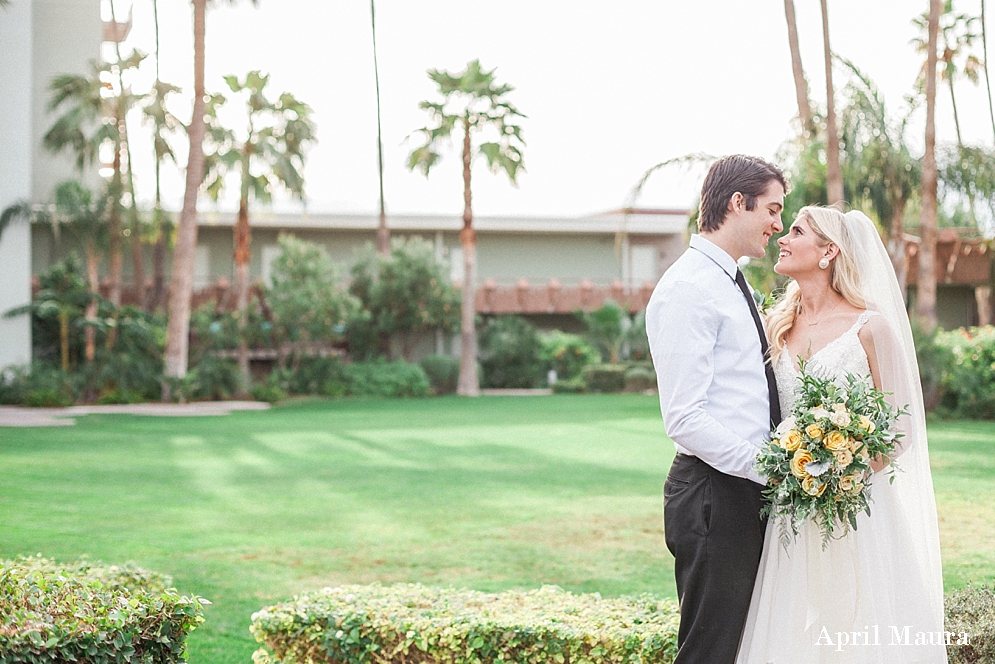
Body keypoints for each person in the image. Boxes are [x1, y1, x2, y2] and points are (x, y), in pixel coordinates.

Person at [735, 206, 946, 663]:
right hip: (791, 510)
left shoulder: (871, 328)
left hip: (857, 510)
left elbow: (901, 427)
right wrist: (797, 471)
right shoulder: (776, 325)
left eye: (795, 231)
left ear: (829, 251)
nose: (781, 238)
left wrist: (842, 474)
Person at [646, 154, 786, 664]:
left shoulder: (732, 281)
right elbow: (682, 416)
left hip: (742, 490)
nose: (777, 224)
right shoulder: (689, 289)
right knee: (710, 651)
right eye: (771, 210)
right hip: (713, 495)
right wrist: (768, 467)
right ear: (736, 203)